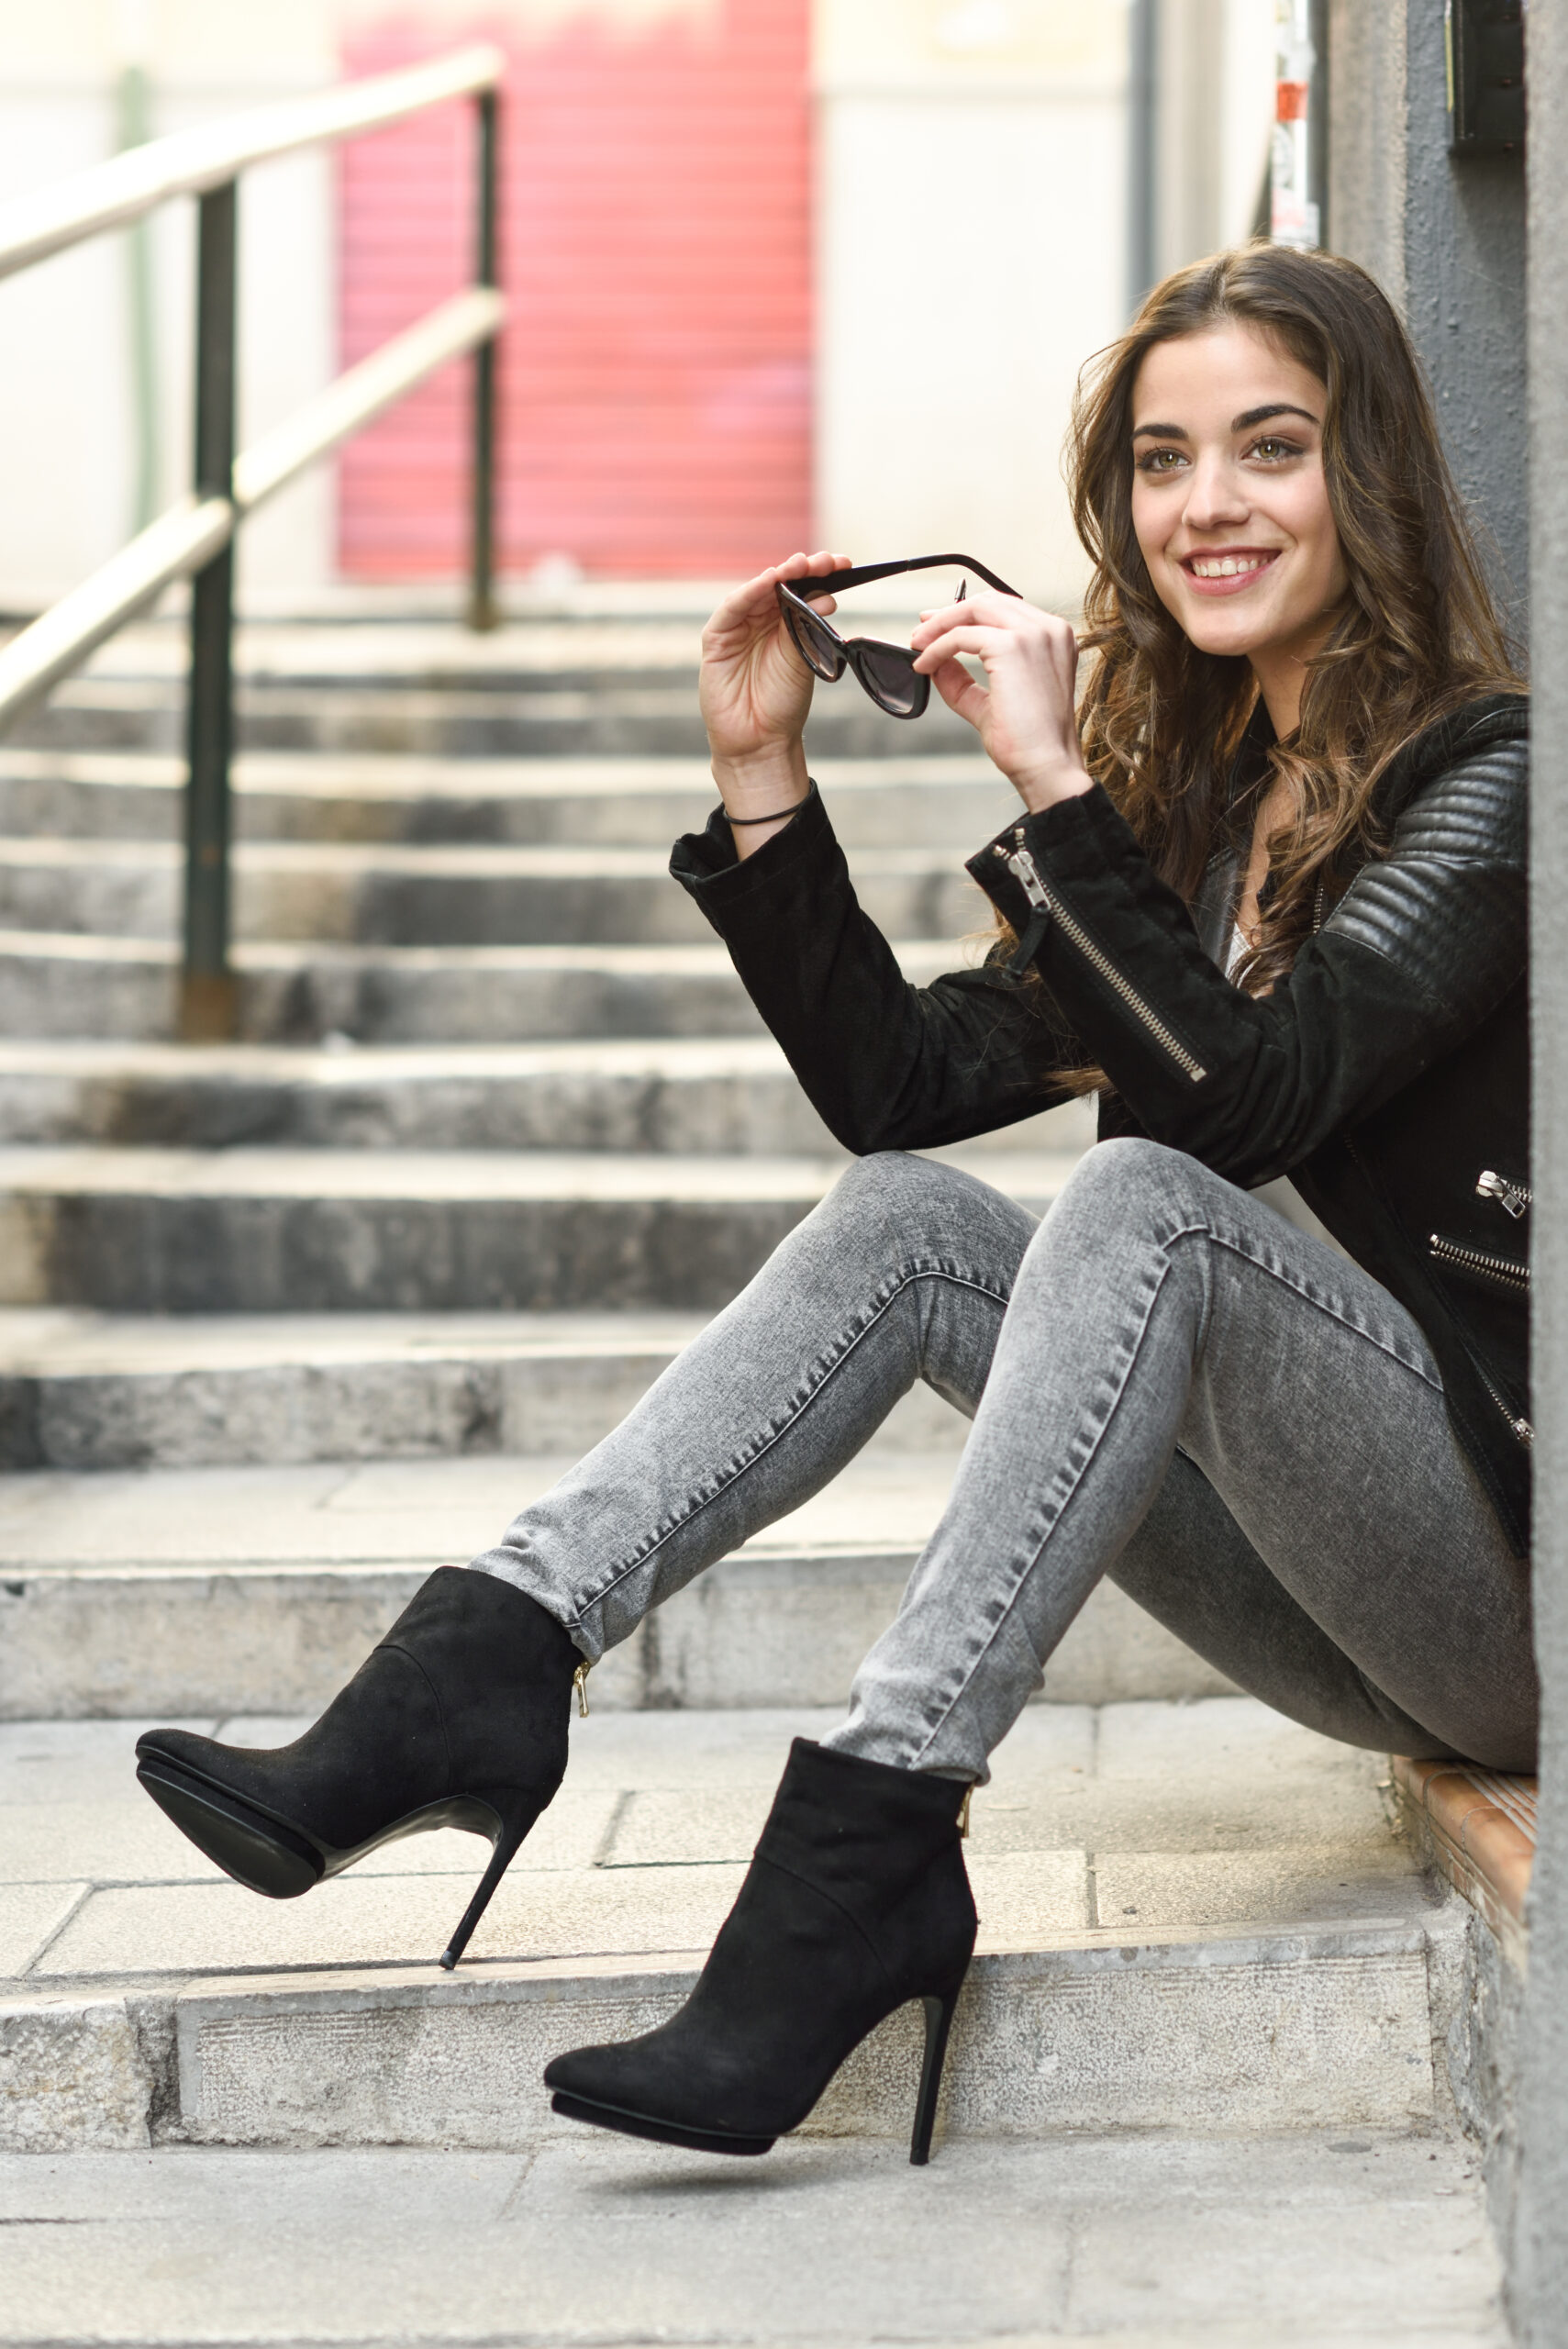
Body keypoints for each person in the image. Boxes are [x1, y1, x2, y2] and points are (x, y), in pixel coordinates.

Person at [134, 243, 1532, 2169]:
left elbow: (1246, 1101)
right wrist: (766, 783)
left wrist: (1055, 780)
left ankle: (875, 1826)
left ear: (1363, 473)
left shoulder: (1490, 784)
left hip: (1504, 1583)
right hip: (1337, 1603)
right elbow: (904, 1087)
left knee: (1141, 1196)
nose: (1205, 504)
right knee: (907, 1216)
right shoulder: (1204, 820)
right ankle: (485, 1660)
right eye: (1161, 459)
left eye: (1268, 449)